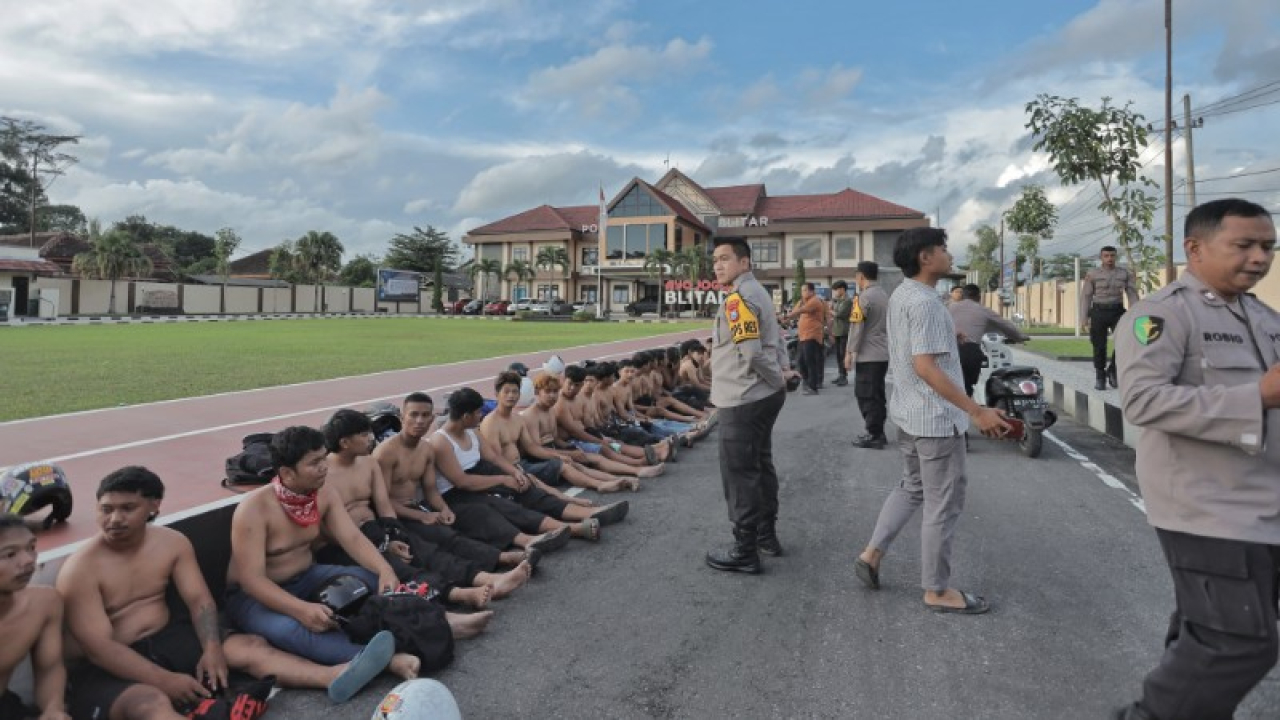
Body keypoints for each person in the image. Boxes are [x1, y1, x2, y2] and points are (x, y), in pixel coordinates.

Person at [1113, 198, 1280, 720]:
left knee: (1202, 631)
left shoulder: (1264, 318)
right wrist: (1256, 396)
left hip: (1263, 504)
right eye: (1244, 245)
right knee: (1237, 641)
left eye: (1268, 247)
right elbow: (1141, 401)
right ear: (1195, 247)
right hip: (1206, 508)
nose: (1259, 258)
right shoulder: (1161, 315)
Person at [57, 466, 392, 717]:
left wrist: (212, 648)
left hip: (168, 639)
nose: (114, 518)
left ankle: (332, 675)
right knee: (152, 703)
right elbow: (100, 649)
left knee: (249, 647)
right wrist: (165, 680)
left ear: (154, 507)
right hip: (109, 665)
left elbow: (199, 600)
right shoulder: (81, 568)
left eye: (127, 508)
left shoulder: (171, 544)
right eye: (105, 509)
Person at [853, 228, 1010, 614]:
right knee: (943, 503)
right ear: (926, 257)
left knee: (912, 487)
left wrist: (948, 334)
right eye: (943, 248)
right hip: (935, 421)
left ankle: (871, 553)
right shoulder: (925, 303)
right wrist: (976, 410)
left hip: (908, 413)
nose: (948, 253)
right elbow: (924, 366)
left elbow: (913, 347)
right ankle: (936, 590)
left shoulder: (905, 294)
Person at [225, 428, 453, 687]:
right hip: (253, 596)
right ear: (287, 473)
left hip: (307, 575)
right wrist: (301, 610)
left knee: (368, 580)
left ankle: (437, 621)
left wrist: (384, 570)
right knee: (290, 629)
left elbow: (353, 539)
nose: (324, 467)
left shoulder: (323, 493)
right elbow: (252, 581)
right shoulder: (253, 509)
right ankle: (382, 659)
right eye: (314, 463)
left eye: (324, 458)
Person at [320, 409, 532, 609]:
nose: (370, 438)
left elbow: (383, 504)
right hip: (348, 541)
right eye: (364, 434)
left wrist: (394, 534)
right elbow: (329, 529)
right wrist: (380, 544)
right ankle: (461, 594)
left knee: (427, 551)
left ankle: (488, 578)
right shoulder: (323, 475)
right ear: (345, 442)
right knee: (400, 568)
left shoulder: (368, 463)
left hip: (377, 528)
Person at [375, 393, 570, 559]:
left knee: (496, 504)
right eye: (413, 415)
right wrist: (422, 515)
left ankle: (541, 535)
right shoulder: (386, 453)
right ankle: (506, 559)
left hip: (422, 506)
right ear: (402, 417)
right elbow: (382, 503)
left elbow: (431, 490)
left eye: (425, 415)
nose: (419, 421)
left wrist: (443, 509)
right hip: (397, 515)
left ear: (432, 418)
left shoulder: (426, 449)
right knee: (450, 536)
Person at [430, 389, 628, 546]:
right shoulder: (441, 441)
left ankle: (587, 514)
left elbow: (494, 457)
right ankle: (569, 528)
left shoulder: (472, 431)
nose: (481, 416)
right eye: (477, 413)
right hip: (460, 491)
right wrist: (502, 479)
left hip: (482, 473)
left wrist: (516, 473)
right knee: (502, 504)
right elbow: (462, 482)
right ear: (465, 416)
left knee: (526, 487)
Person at [705, 236, 796, 573]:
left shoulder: (738, 298)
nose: (718, 265)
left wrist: (778, 378)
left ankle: (745, 550)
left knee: (740, 473)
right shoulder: (759, 293)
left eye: (725, 258)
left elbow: (754, 352)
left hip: (742, 397)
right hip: (760, 395)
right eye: (715, 259)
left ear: (745, 262)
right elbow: (778, 340)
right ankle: (765, 535)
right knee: (760, 464)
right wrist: (782, 375)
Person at [481, 371, 635, 493]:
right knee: (565, 465)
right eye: (506, 392)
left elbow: (532, 446)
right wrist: (561, 456)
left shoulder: (518, 419)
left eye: (515, 392)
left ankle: (618, 478)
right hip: (516, 468)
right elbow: (497, 459)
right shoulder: (493, 422)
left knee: (583, 459)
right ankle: (601, 484)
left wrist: (563, 453)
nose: (511, 396)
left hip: (528, 462)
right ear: (497, 394)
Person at [0, 514, 68, 720]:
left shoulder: (43, 604)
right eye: (10, 554)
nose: (28, 560)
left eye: (31, 548)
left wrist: (53, 709)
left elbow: (49, 669)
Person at [948, 283, 1029, 398]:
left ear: (963, 295)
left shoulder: (949, 308)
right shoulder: (983, 310)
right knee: (967, 385)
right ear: (978, 297)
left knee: (949, 384)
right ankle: (967, 410)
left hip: (948, 350)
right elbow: (1004, 325)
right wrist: (1019, 337)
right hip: (970, 351)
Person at [1080, 245, 1140, 390]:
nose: (1109, 259)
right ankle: (1100, 376)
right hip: (1099, 312)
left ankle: (1113, 370)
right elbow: (1086, 296)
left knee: (1124, 342)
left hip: (1117, 311)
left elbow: (1132, 293)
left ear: (1116, 257)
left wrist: (1137, 312)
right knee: (1099, 346)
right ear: (1101, 258)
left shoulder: (1124, 273)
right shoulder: (1093, 274)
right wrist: (1083, 317)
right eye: (1106, 256)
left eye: (1112, 256)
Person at [846, 261, 891, 449]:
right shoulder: (883, 295)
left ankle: (874, 434)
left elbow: (857, 327)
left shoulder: (863, 298)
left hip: (868, 354)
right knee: (877, 394)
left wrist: (849, 352)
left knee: (866, 394)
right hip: (882, 353)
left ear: (861, 276)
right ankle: (878, 431)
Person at [786, 282, 828, 394]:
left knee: (810, 361)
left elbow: (800, 311)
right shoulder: (802, 302)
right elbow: (795, 311)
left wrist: (787, 316)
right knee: (801, 361)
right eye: (802, 290)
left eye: (804, 290)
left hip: (812, 335)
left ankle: (813, 387)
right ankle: (807, 382)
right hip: (803, 335)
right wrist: (785, 319)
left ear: (812, 291)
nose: (802, 292)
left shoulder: (815, 301)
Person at [830, 280, 854, 386]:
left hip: (844, 331)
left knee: (843, 354)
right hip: (837, 331)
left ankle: (844, 377)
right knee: (838, 355)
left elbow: (840, 314)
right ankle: (840, 374)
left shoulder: (847, 300)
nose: (835, 292)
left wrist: (830, 311)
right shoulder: (838, 300)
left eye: (837, 290)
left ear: (842, 289)